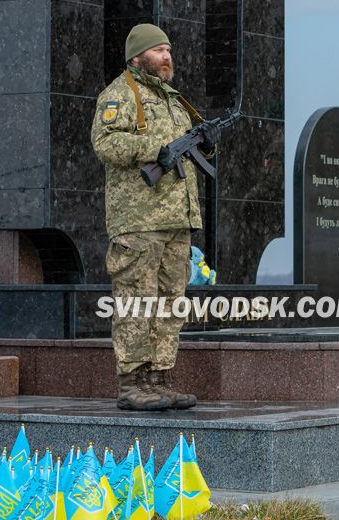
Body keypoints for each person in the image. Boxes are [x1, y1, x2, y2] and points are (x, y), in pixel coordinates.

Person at [91, 23, 216, 411]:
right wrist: (154, 148)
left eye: (169, 50)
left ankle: (159, 380)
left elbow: (190, 154)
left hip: (177, 221)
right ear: (138, 56)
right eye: (159, 50)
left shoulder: (174, 101)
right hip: (139, 221)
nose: (168, 57)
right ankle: (132, 384)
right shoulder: (120, 95)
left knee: (169, 304)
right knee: (136, 302)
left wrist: (206, 145)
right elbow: (105, 143)